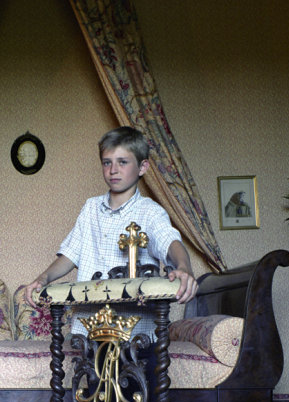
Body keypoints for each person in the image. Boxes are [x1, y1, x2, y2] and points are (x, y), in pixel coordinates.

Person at [23, 126, 198, 340]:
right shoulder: (90, 208)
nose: (113, 169)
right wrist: (43, 278)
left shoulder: (150, 211)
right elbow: (70, 254)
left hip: (136, 334)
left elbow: (169, 241)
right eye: (107, 162)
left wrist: (184, 267)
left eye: (122, 162)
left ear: (143, 166)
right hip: (88, 330)